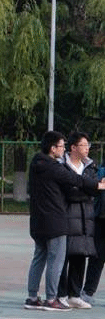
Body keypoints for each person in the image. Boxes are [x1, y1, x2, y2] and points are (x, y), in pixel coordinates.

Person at [22, 130, 105, 311]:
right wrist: (97, 185)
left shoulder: (36, 163)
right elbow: (74, 179)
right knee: (56, 261)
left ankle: (32, 297)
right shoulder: (54, 167)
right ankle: (52, 299)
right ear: (53, 148)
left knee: (39, 258)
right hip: (55, 221)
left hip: (38, 221)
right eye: (61, 146)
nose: (63, 149)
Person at [57, 132, 97, 309]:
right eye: (83, 145)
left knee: (80, 255)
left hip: (85, 217)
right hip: (65, 216)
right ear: (73, 147)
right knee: (62, 257)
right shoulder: (62, 167)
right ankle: (61, 294)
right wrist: (87, 189)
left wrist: (87, 189)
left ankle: (75, 295)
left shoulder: (90, 167)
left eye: (88, 145)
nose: (87, 148)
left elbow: (95, 190)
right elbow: (68, 192)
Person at [82, 157, 105, 304]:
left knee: (97, 257)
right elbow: (94, 188)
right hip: (101, 219)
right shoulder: (101, 171)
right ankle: (88, 291)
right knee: (97, 257)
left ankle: (88, 291)